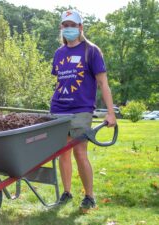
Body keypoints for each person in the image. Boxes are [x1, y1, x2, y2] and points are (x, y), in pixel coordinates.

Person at [50, 9, 116, 212]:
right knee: (62, 153)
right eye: (65, 25)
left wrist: (111, 112)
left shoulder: (91, 51)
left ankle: (89, 196)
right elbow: (59, 81)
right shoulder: (59, 53)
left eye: (73, 25)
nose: (69, 29)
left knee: (79, 152)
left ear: (80, 27)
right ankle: (66, 193)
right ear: (62, 28)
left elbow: (103, 83)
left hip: (81, 110)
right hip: (59, 109)